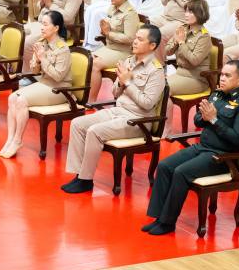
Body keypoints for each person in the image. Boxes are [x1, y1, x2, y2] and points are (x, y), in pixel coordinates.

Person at [143, 60, 239, 235]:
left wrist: (214, 120)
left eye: (227, 75)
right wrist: (205, 116)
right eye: (222, 74)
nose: (222, 78)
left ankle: (167, 222)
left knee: (181, 172)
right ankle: (158, 217)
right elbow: (196, 120)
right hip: (202, 148)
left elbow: (236, 139)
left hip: (222, 157)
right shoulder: (217, 95)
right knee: (164, 166)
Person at [61, 24, 165, 194]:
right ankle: (79, 174)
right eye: (135, 37)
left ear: (152, 46)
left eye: (140, 39)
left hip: (137, 121)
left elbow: (147, 103)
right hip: (117, 112)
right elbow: (115, 93)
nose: (135, 42)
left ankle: (86, 180)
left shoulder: (156, 71)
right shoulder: (129, 61)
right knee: (78, 123)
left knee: (94, 131)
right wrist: (122, 82)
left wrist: (128, 82)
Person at [0, 11, 71, 159]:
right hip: (44, 84)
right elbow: (34, 71)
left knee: (21, 100)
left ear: (56, 28)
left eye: (45, 24)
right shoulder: (42, 44)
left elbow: (58, 76)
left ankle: (18, 140)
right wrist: (37, 60)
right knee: (12, 98)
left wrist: (43, 58)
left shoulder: (62, 48)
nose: (42, 28)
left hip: (59, 89)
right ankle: (10, 138)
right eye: (41, 24)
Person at [23, 0, 81, 70]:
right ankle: (19, 68)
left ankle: (29, 73)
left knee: (28, 42)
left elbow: (68, 18)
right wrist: (43, 3)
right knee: (18, 32)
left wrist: (50, 4)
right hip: (42, 24)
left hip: (58, 29)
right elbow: (42, 7)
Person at [90, 0, 141, 103]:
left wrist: (108, 33)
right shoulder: (112, 8)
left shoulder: (130, 14)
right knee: (86, 59)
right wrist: (104, 30)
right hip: (109, 48)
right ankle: (82, 95)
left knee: (95, 64)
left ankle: (91, 101)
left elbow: (130, 39)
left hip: (123, 52)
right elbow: (109, 29)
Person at [165, 0, 213, 96]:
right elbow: (167, 52)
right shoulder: (183, 29)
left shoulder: (204, 36)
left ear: (200, 14)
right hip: (179, 73)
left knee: (163, 90)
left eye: (191, 12)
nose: (186, 14)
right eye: (186, 11)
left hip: (196, 79)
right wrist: (176, 42)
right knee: (154, 87)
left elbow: (194, 60)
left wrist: (182, 42)